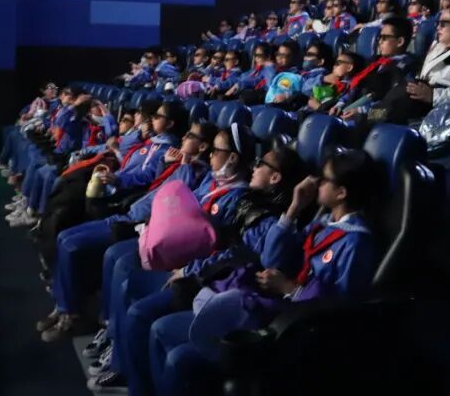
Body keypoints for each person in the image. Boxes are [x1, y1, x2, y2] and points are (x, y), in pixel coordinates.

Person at [147, 149, 379, 396]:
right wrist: (294, 208)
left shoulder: (356, 244)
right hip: (271, 308)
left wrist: (290, 288)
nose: (318, 183)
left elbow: (340, 311)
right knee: (160, 330)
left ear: (341, 193)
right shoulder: (322, 225)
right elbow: (271, 258)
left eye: (325, 179)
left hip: (292, 330)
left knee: (179, 359)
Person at [86, 124, 259, 390]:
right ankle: (116, 343)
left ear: (233, 158)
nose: (210, 155)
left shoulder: (239, 198)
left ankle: (129, 374)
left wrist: (189, 269)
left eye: (216, 150)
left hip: (193, 269)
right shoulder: (210, 180)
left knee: (138, 311)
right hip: (174, 252)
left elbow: (223, 249)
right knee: (120, 268)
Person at [37, 100, 189, 341]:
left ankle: (71, 315)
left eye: (157, 116)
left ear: (170, 124)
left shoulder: (167, 152)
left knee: (70, 242)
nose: (151, 120)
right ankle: (62, 304)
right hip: (122, 201)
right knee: (63, 236)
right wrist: (134, 137)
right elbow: (125, 148)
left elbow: (148, 179)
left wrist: (119, 179)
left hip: (128, 209)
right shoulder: (151, 143)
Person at [331, 16, 419, 124]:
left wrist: (362, 112)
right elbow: (355, 87)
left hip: (372, 121)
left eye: (384, 38)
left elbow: (392, 108)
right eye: (379, 37)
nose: (380, 41)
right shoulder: (374, 61)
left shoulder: (407, 68)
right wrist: (340, 104)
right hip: (348, 112)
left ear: (400, 41)